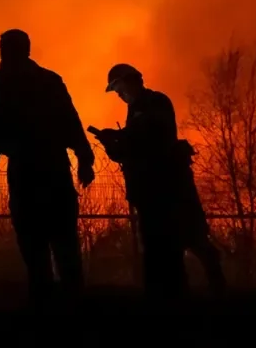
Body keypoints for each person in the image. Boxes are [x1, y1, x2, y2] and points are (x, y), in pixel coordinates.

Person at [0, 29, 95, 309]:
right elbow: (71, 120)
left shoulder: (1, 82)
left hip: (26, 171)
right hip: (53, 169)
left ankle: (44, 302)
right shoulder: (49, 80)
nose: (2, 52)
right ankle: (72, 303)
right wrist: (84, 157)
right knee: (63, 242)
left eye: (5, 47)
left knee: (34, 244)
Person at [94, 63, 225, 298]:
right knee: (158, 245)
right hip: (149, 191)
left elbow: (150, 138)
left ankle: (213, 287)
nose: (119, 94)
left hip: (169, 188)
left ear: (131, 81)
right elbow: (135, 147)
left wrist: (120, 137)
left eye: (119, 88)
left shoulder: (156, 103)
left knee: (187, 237)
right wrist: (112, 145)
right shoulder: (137, 110)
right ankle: (167, 292)